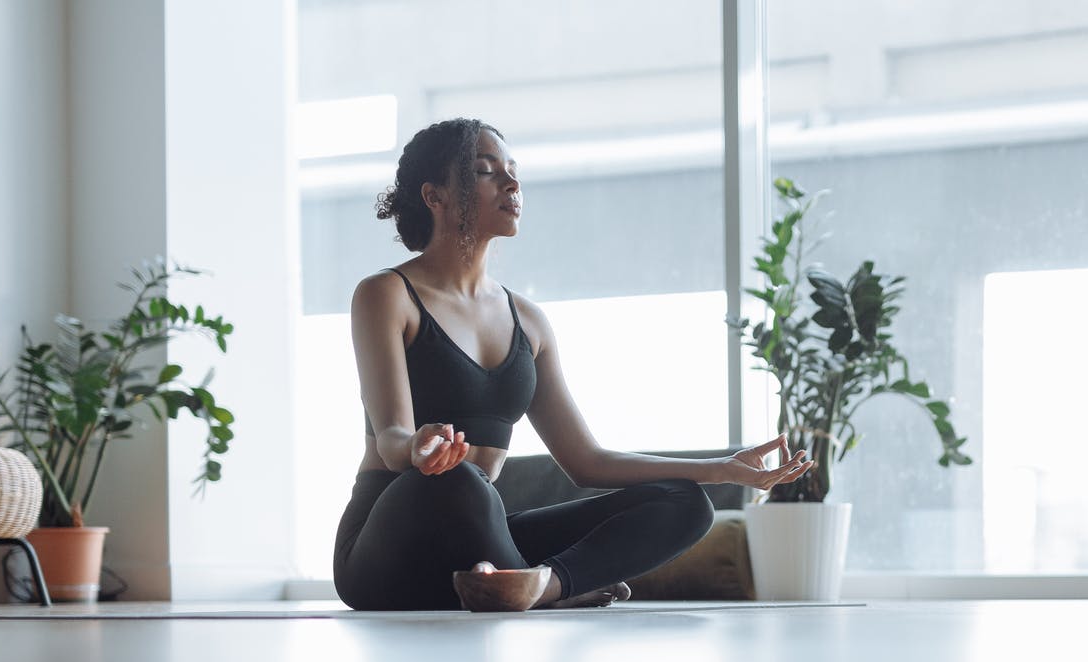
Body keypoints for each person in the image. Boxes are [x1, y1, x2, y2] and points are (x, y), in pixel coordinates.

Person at [334, 117, 814, 612]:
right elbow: (391, 440)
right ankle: (533, 586)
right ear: (434, 196)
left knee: (686, 502)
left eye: (512, 170)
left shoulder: (530, 323)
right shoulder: (387, 296)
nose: (511, 183)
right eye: (484, 171)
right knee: (457, 481)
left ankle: (543, 585)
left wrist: (719, 470)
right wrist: (417, 447)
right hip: (387, 549)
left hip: (482, 541)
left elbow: (587, 462)